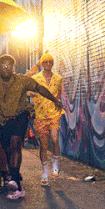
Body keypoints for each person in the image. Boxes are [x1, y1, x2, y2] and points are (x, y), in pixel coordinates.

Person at [0, 54, 63, 200]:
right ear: (0, 67)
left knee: (16, 143)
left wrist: (55, 100)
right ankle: (17, 183)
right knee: (7, 150)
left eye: (9, 65)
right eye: (3, 65)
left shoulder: (22, 80)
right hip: (2, 121)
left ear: (13, 67)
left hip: (19, 117)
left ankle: (15, 180)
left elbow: (40, 88)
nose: (6, 68)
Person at [27, 52, 65, 185]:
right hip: (40, 114)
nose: (48, 64)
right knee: (43, 145)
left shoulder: (58, 78)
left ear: (52, 64)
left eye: (50, 61)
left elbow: (59, 94)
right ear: (42, 64)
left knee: (54, 139)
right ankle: (45, 172)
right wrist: (31, 94)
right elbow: (27, 90)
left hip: (54, 113)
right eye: (45, 62)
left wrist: (58, 103)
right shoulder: (35, 78)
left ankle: (55, 165)